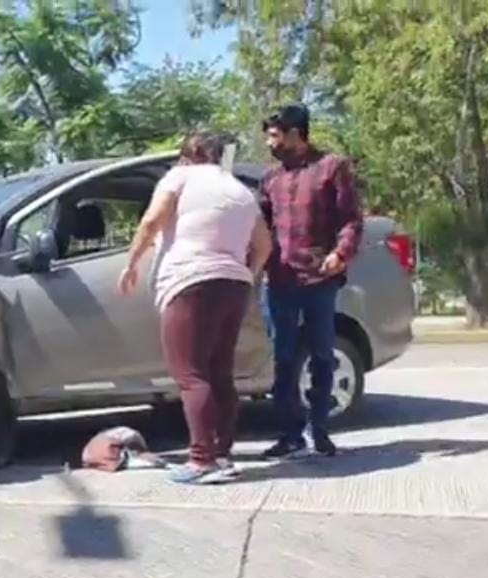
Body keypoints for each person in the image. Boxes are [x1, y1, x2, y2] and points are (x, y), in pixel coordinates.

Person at [119, 133, 273, 484]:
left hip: (189, 281)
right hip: (233, 284)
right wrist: (248, 273)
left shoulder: (179, 177)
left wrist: (131, 263)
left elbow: (151, 220)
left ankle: (201, 461)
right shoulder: (239, 190)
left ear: (188, 156)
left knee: (190, 374)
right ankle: (222, 455)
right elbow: (264, 243)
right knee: (220, 371)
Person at [258, 104, 363, 459]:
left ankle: (320, 429)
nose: (269, 143)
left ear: (295, 133)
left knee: (321, 355)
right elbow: (260, 226)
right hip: (279, 280)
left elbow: (351, 219)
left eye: (274, 135)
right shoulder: (270, 178)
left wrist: (340, 254)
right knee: (283, 359)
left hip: (320, 277)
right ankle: (289, 435)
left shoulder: (332, 167)